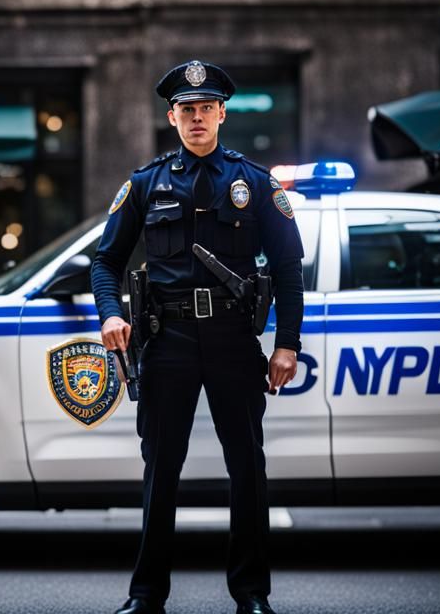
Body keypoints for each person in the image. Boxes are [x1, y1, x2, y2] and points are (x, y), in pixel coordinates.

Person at [90, 60, 304, 614]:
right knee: (161, 471)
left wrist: (287, 343)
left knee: (248, 469)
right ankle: (146, 595)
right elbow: (104, 262)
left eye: (206, 108)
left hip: (234, 339)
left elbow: (288, 267)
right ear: (172, 116)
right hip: (169, 341)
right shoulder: (145, 183)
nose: (197, 118)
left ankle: (252, 594)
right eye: (187, 110)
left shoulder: (254, 183)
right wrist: (111, 314)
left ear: (222, 113)